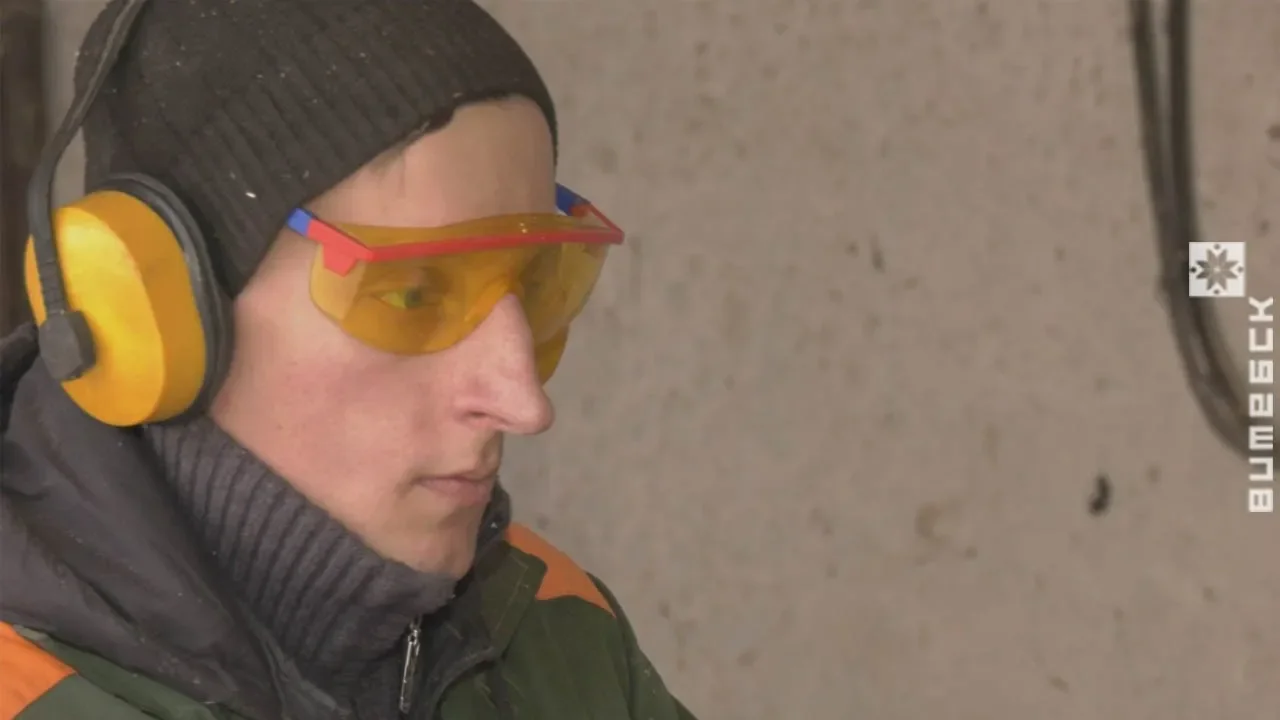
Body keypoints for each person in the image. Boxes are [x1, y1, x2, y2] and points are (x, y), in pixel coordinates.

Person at [0, 2, 696, 719]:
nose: (524, 402)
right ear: (142, 309)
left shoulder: (558, 627)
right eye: (413, 295)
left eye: (540, 283)